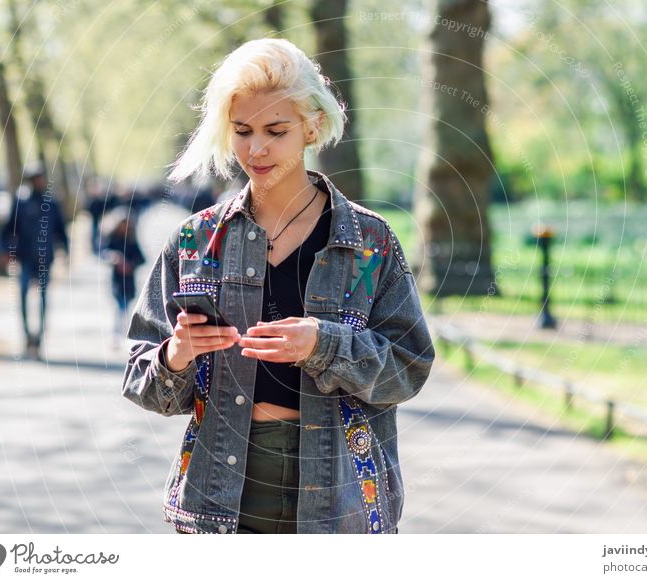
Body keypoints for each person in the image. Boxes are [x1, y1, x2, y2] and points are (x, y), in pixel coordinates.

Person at [121, 38, 435, 534]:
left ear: (311, 126)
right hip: (219, 499)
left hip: (342, 498)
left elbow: (408, 368)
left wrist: (325, 344)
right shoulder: (195, 240)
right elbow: (142, 381)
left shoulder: (370, 241)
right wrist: (176, 354)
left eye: (276, 130)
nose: (256, 148)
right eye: (242, 131)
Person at [0, 162, 69, 359]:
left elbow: (61, 231)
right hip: (25, 258)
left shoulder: (52, 203)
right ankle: (26, 337)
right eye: (36, 179)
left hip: (45, 259)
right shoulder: (19, 202)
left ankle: (39, 340)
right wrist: (5, 250)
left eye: (41, 178)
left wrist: (65, 251)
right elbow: (6, 230)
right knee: (22, 295)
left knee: (43, 299)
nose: (40, 182)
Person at [100, 208, 145, 347]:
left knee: (125, 306)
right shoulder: (113, 239)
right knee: (119, 307)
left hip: (129, 281)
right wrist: (114, 259)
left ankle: (124, 332)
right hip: (117, 281)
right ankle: (117, 333)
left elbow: (141, 259)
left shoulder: (132, 241)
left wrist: (130, 265)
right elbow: (103, 252)